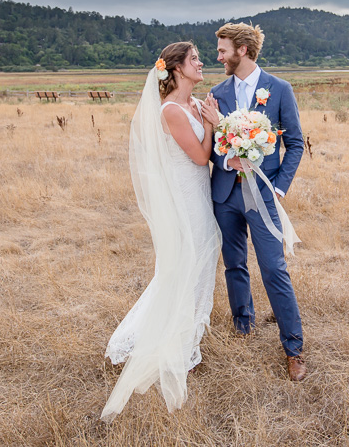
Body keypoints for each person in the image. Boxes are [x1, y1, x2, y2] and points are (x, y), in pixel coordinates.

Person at [101, 42, 222, 421]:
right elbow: (201, 157)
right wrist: (210, 126)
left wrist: (214, 123)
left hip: (199, 193)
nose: (201, 63)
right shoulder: (171, 110)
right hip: (187, 199)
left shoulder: (194, 102)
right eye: (195, 59)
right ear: (175, 69)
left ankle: (186, 340)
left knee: (199, 260)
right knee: (187, 263)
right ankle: (173, 344)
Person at [209, 22, 308, 381]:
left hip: (263, 195)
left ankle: (293, 348)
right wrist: (225, 160)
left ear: (243, 50)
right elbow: (211, 147)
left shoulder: (279, 90)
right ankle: (243, 323)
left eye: (223, 50)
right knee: (234, 264)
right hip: (225, 195)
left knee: (273, 268)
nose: (218, 57)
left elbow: (294, 143)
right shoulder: (217, 93)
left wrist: (278, 187)